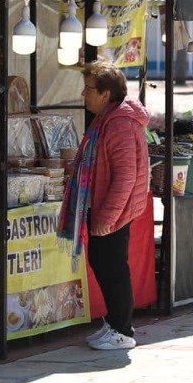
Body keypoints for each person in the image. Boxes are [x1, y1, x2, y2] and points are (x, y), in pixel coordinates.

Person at [63, 63, 150, 351]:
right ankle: (115, 323)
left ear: (105, 94)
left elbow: (125, 177)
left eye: (89, 89)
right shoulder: (107, 118)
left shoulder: (119, 123)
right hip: (103, 205)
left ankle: (123, 330)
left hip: (114, 209)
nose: (83, 94)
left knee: (111, 266)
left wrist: (107, 217)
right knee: (102, 262)